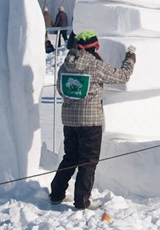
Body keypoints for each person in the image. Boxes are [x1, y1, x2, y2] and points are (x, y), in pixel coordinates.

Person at [50, 30, 136, 209]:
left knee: (70, 157)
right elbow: (122, 76)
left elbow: (61, 88)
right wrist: (130, 59)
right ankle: (82, 201)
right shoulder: (95, 65)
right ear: (95, 47)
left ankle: (56, 193)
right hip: (90, 122)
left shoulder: (65, 65)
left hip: (69, 121)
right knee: (88, 162)